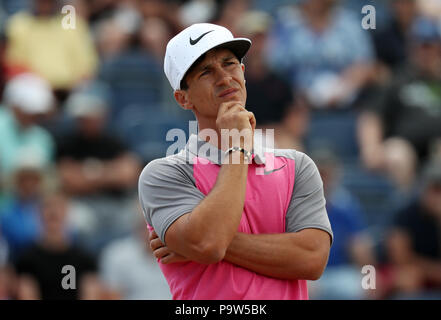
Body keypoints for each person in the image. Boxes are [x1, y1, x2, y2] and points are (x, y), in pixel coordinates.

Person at [138, 23, 333, 300]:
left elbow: (312, 259)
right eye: (205, 71)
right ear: (183, 99)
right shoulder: (164, 174)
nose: (223, 78)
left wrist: (196, 244)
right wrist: (238, 145)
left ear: (243, 72)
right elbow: (209, 242)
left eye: (229, 64)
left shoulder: (297, 165)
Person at [383, 160, 441, 299]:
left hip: (431, 271)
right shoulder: (405, 212)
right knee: (408, 278)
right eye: (434, 189)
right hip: (405, 270)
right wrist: (435, 272)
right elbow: (401, 258)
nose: (437, 196)